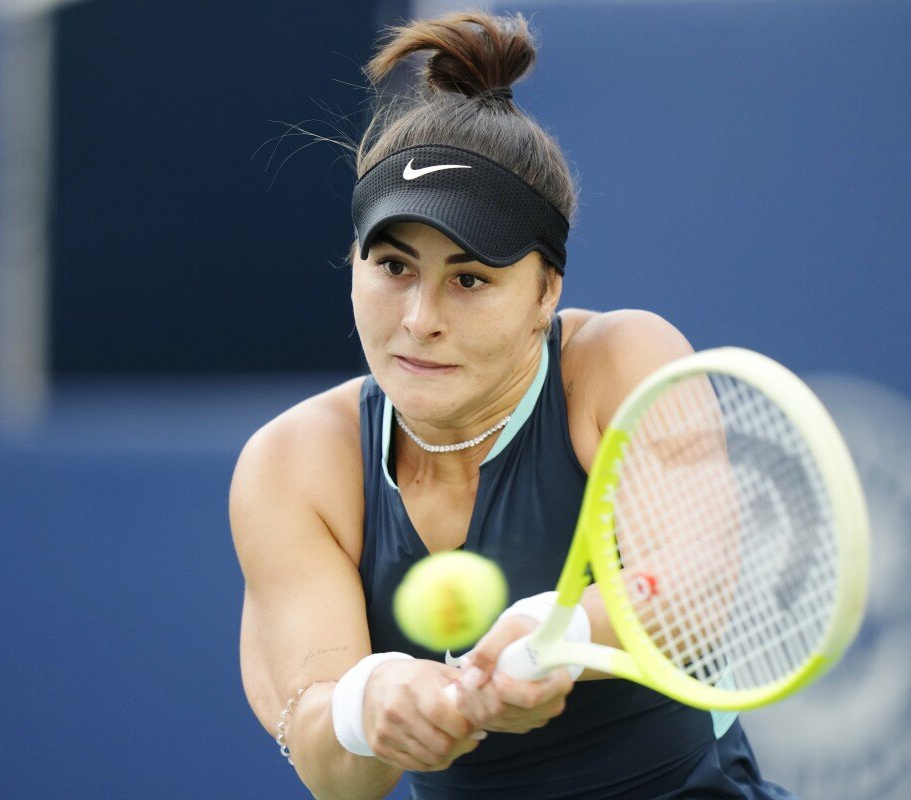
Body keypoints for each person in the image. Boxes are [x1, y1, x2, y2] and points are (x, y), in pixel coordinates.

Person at [231, 11, 795, 799]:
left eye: (469, 279)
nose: (421, 316)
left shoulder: (619, 361)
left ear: (546, 291)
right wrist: (372, 706)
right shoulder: (293, 465)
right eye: (394, 266)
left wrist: (552, 634)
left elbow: (694, 593)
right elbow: (337, 775)